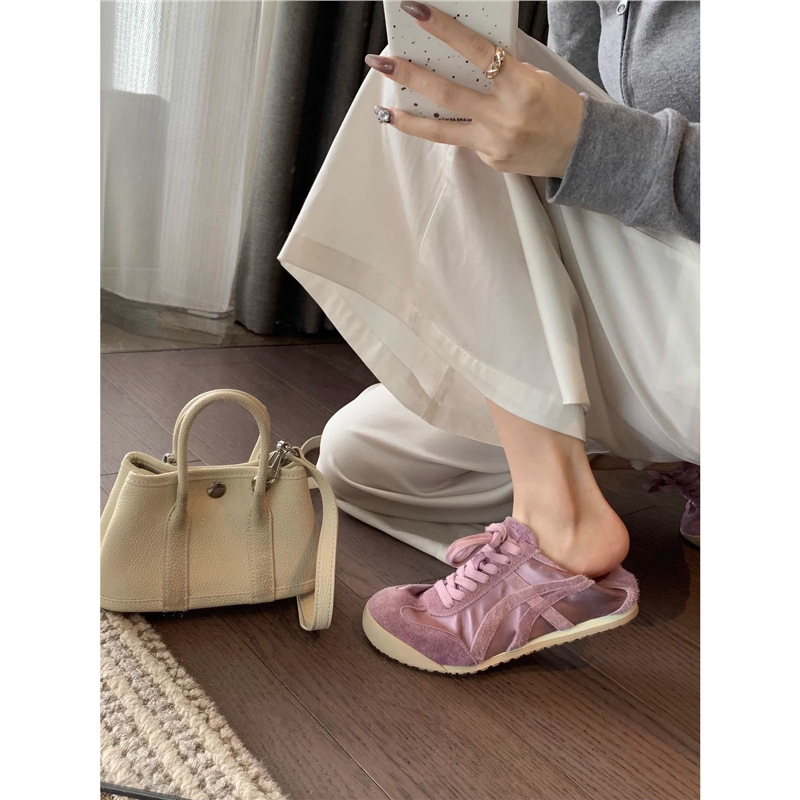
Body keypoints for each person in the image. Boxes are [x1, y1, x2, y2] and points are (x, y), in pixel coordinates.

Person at [277, 1, 699, 673]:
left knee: (451, 77)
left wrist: (589, 141)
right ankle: (658, 465)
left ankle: (560, 524)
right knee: (359, 459)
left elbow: (594, 137)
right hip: (672, 298)